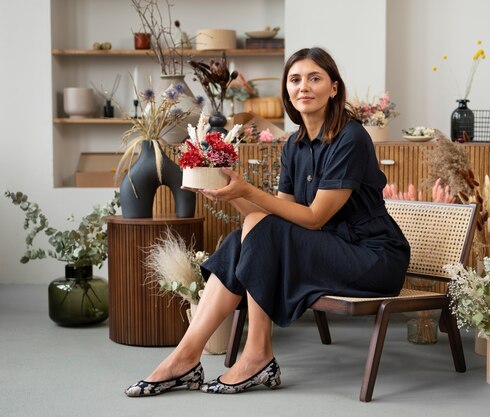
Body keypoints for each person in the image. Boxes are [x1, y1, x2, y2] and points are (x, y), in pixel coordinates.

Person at [125, 47, 410, 397]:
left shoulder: (350, 138)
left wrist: (249, 191)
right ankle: (185, 357)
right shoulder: (295, 145)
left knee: (265, 231)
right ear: (287, 89)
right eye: (295, 79)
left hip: (372, 258)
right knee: (239, 240)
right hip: (329, 249)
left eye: (314, 78)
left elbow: (315, 217)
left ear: (334, 88)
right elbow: (276, 216)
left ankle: (258, 353)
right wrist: (228, 191)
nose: (303, 86)